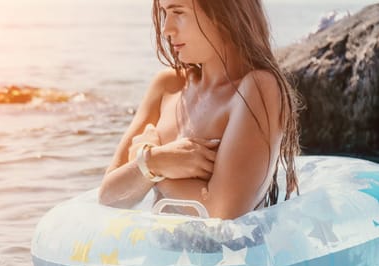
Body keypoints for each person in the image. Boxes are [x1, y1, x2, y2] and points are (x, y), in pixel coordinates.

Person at [99, 0, 301, 219]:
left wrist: (150, 166)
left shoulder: (257, 88)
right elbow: (109, 197)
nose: (167, 28)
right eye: (164, 13)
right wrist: (156, 161)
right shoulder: (168, 85)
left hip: (227, 253)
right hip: (161, 251)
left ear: (223, 12)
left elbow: (222, 212)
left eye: (178, 12)